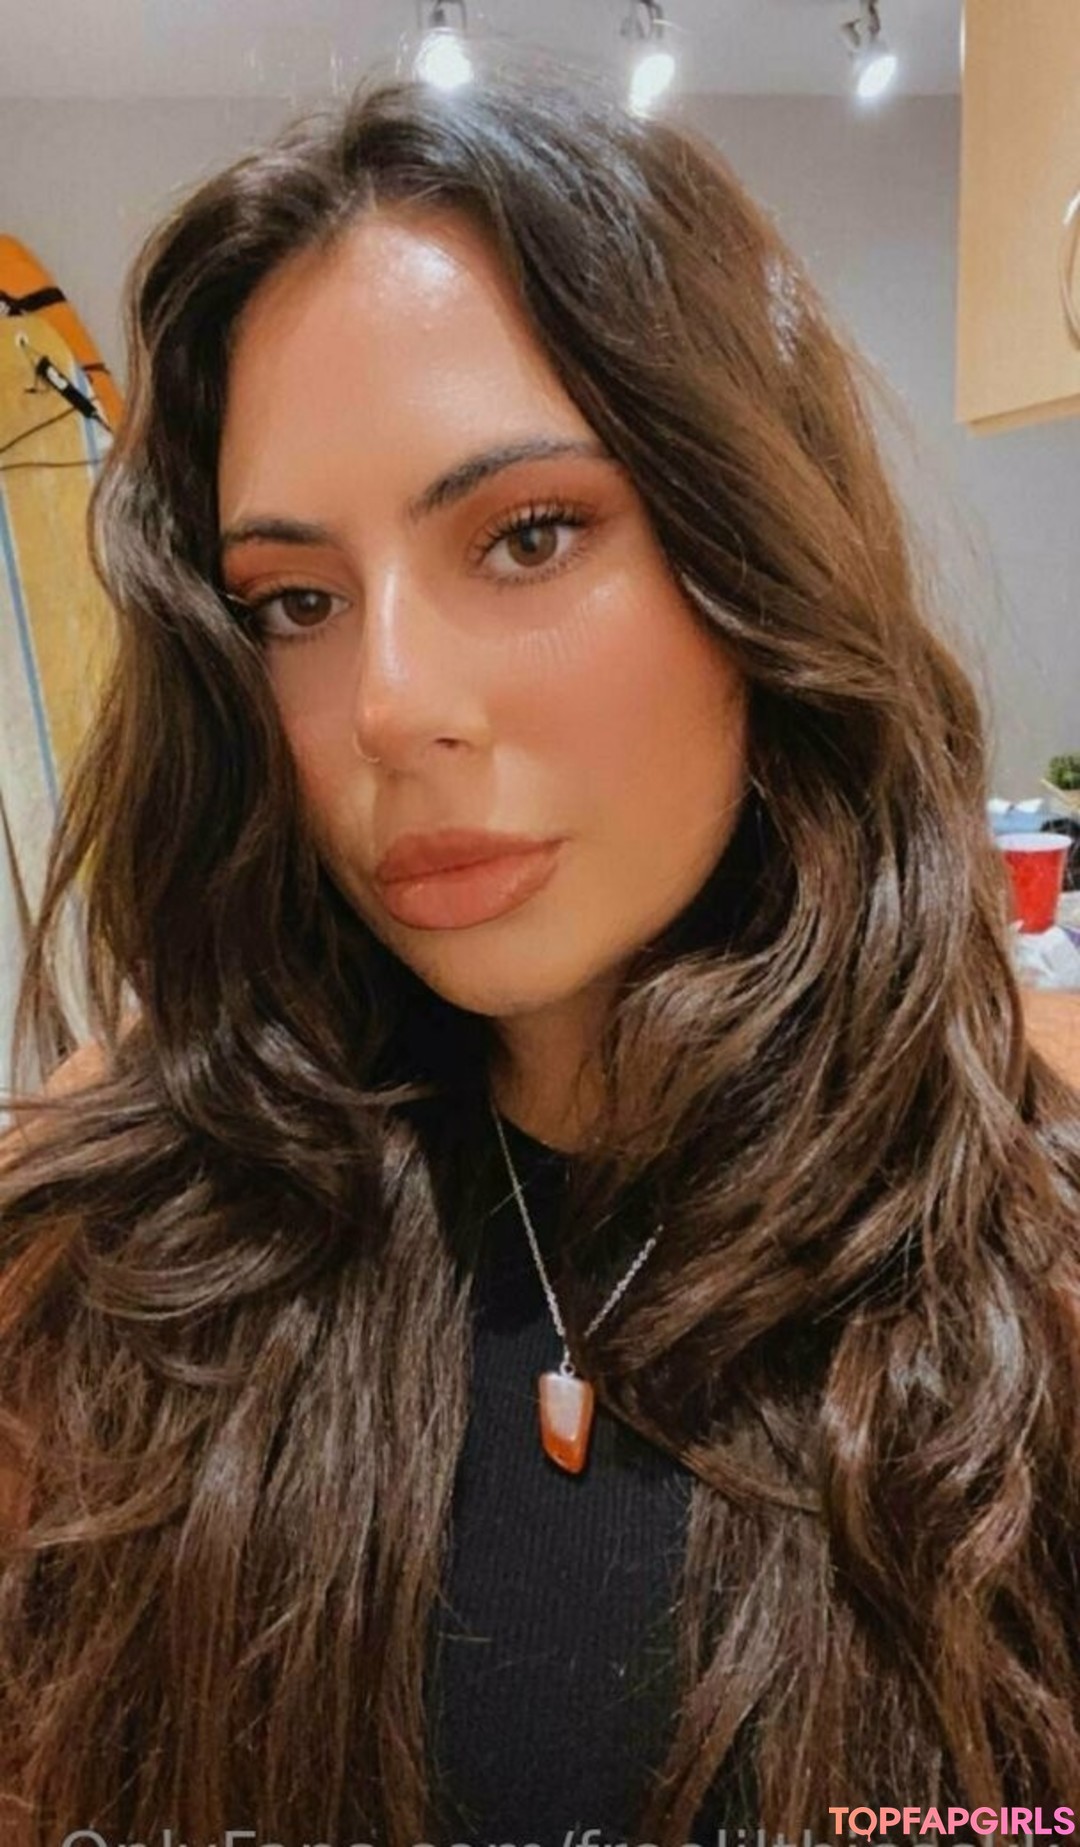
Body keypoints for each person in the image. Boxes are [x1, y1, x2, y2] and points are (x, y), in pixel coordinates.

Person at [2, 49, 1079, 1847]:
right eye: (296, 601)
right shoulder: (120, 1277)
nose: (388, 704)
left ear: (753, 564)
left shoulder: (1026, 1301)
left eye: (528, 535)